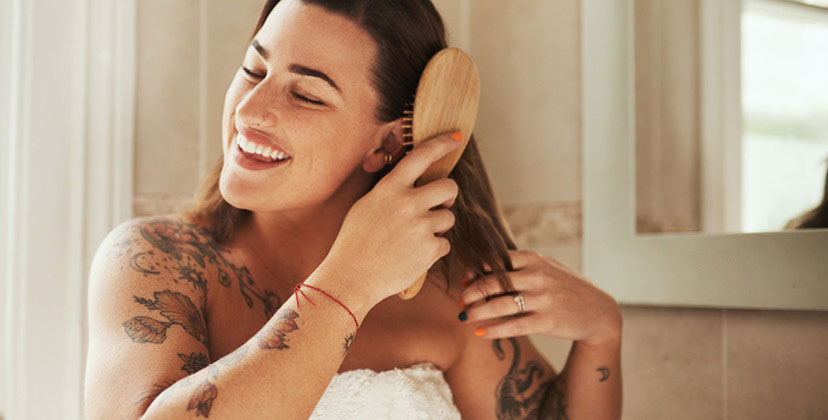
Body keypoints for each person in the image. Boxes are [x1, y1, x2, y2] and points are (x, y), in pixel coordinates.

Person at [84, 1, 623, 419]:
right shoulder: (156, 263)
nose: (249, 110)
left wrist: (602, 336)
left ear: (386, 144)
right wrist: (350, 282)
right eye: (253, 69)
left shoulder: (449, 290)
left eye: (307, 96)